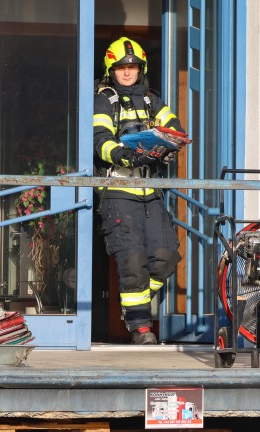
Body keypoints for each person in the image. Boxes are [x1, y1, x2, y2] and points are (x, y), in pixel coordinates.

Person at [93, 36, 184, 344]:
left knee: (166, 257)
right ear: (111, 70)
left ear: (141, 69)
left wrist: (171, 145)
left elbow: (176, 129)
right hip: (119, 191)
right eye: (121, 67)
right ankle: (140, 327)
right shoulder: (103, 100)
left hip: (150, 191)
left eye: (133, 66)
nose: (128, 72)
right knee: (131, 260)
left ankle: (134, 307)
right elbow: (99, 140)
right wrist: (124, 153)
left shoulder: (152, 99)